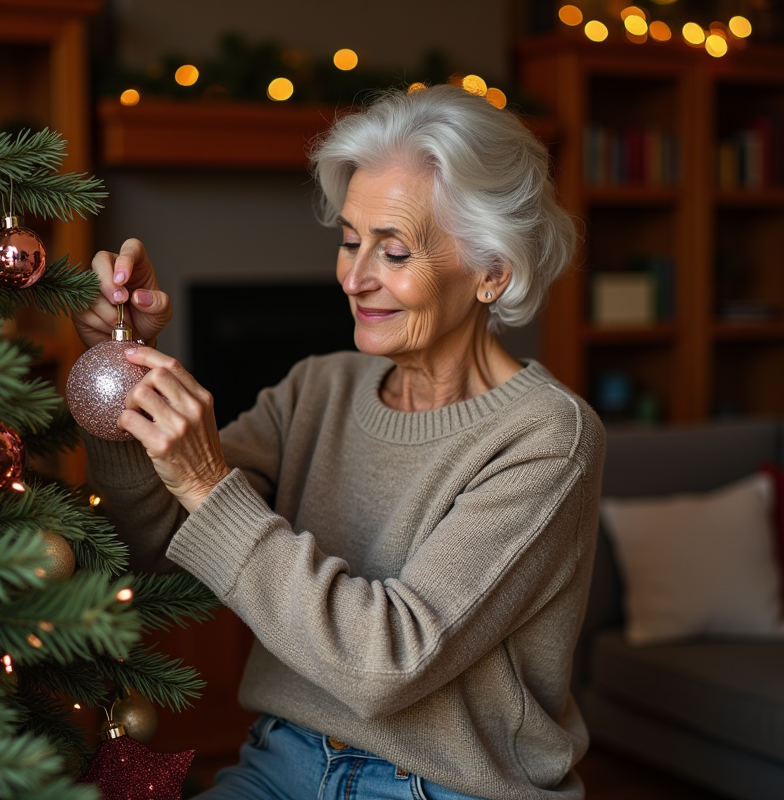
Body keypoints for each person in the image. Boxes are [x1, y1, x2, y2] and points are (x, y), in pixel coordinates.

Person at [74, 84, 605, 800]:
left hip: (447, 788)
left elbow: (388, 665)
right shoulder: (317, 388)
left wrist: (206, 484)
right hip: (280, 763)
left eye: (393, 251)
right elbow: (158, 549)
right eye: (350, 241)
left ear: (492, 272)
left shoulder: (547, 437)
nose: (354, 279)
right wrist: (123, 381)